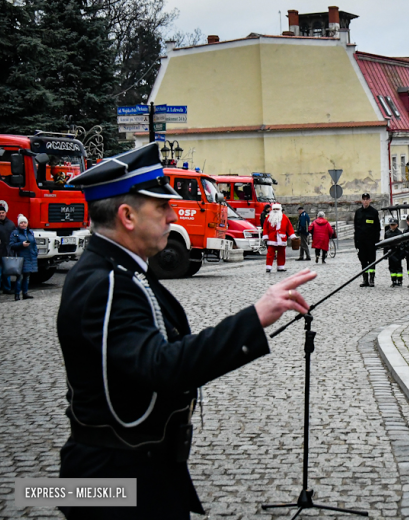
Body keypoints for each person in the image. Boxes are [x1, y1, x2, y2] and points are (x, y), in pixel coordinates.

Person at [58, 143, 316, 519]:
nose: (172, 214)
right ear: (127, 216)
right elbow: (162, 366)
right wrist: (254, 318)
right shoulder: (107, 283)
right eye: (161, 207)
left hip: (133, 466)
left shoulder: (119, 271)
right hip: (114, 476)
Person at [353, 193, 380, 287]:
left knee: (372, 260)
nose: (365, 201)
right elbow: (356, 228)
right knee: (363, 261)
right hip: (361, 241)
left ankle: (372, 279)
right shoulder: (358, 212)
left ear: (370, 200)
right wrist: (356, 242)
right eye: (363, 199)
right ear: (361, 200)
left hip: (371, 242)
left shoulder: (374, 212)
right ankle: (365, 279)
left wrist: (377, 242)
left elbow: (377, 228)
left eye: (366, 199)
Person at [9, 214, 38, 300]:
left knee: (27, 276)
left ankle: (25, 293)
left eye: (24, 222)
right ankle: (17, 294)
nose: (23, 224)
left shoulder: (30, 232)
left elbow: (34, 244)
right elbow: (11, 244)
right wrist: (21, 244)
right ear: (18, 224)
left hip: (30, 257)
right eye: (21, 223)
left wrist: (35, 252)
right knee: (20, 277)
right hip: (20, 257)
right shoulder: (15, 233)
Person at [262, 203, 296, 273]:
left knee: (282, 253)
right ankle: (268, 267)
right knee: (270, 253)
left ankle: (281, 266)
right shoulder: (269, 217)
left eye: (277, 209)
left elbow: (289, 227)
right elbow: (265, 227)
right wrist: (265, 235)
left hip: (282, 238)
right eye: (274, 209)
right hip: (272, 238)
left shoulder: (284, 217)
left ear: (280, 209)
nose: (275, 211)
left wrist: (292, 235)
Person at [0, 205, 15, 295]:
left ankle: (7, 288)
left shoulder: (11, 224)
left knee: (7, 272)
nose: (1, 214)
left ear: (5, 213)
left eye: (2, 213)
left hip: (8, 251)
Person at [383, 217, 404, 286]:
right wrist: (385, 253)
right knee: (391, 267)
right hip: (390, 253)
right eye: (391, 225)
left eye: (393, 225)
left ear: (397, 225)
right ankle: (393, 280)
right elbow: (385, 243)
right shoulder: (387, 233)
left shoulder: (399, 233)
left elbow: (402, 244)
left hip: (397, 252)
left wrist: (402, 253)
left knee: (398, 267)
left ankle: (400, 281)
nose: (392, 226)